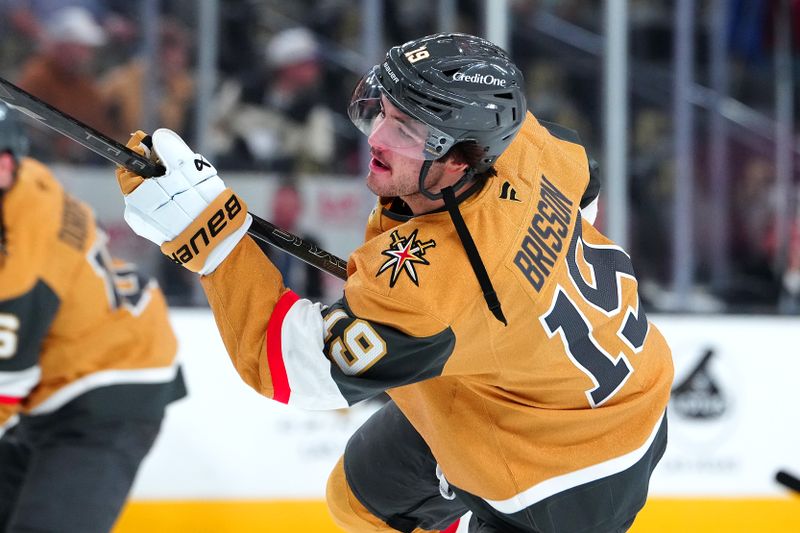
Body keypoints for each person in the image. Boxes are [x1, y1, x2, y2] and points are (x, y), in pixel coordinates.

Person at [115, 33, 673, 533]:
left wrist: (211, 241)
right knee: (361, 501)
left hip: (563, 480)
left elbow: (289, 364)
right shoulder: (517, 137)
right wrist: (508, 321)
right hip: (558, 386)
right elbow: (584, 188)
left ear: (461, 158)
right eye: (384, 110)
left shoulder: (439, 286)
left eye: (404, 129)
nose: (376, 136)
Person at [0, 102, 186, 533]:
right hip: (60, 376)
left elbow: (5, 388)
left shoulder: (21, 263)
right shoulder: (29, 182)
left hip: (112, 388)